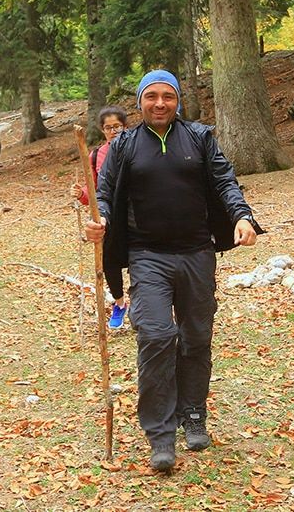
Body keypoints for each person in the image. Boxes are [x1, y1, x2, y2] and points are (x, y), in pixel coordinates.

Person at [84, 70, 263, 473]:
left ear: (177, 100)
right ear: (140, 101)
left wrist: (242, 216)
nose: (160, 103)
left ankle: (193, 413)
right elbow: (106, 194)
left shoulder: (200, 138)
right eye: (152, 96)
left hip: (197, 253)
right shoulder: (125, 144)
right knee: (156, 334)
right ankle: (160, 434)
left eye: (168, 96)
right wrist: (102, 222)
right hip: (148, 256)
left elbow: (225, 182)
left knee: (196, 336)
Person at [70, 106, 130, 329]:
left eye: (117, 126)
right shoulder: (97, 155)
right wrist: (82, 194)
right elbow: (94, 190)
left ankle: (144, 305)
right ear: (103, 130)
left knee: (140, 259)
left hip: (135, 214)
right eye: (108, 128)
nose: (113, 131)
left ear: (125, 126)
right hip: (108, 216)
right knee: (109, 261)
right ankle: (120, 303)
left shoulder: (136, 148)